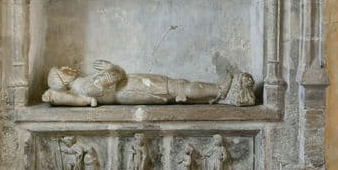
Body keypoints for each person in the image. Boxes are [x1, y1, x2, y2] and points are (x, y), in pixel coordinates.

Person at [42, 60, 256, 107]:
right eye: (62, 70)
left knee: (177, 87)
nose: (66, 67)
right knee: (177, 87)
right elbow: (116, 74)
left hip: (131, 87)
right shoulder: (84, 86)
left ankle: (216, 93)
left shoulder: (83, 86)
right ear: (63, 79)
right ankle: (220, 90)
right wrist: (110, 66)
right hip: (132, 88)